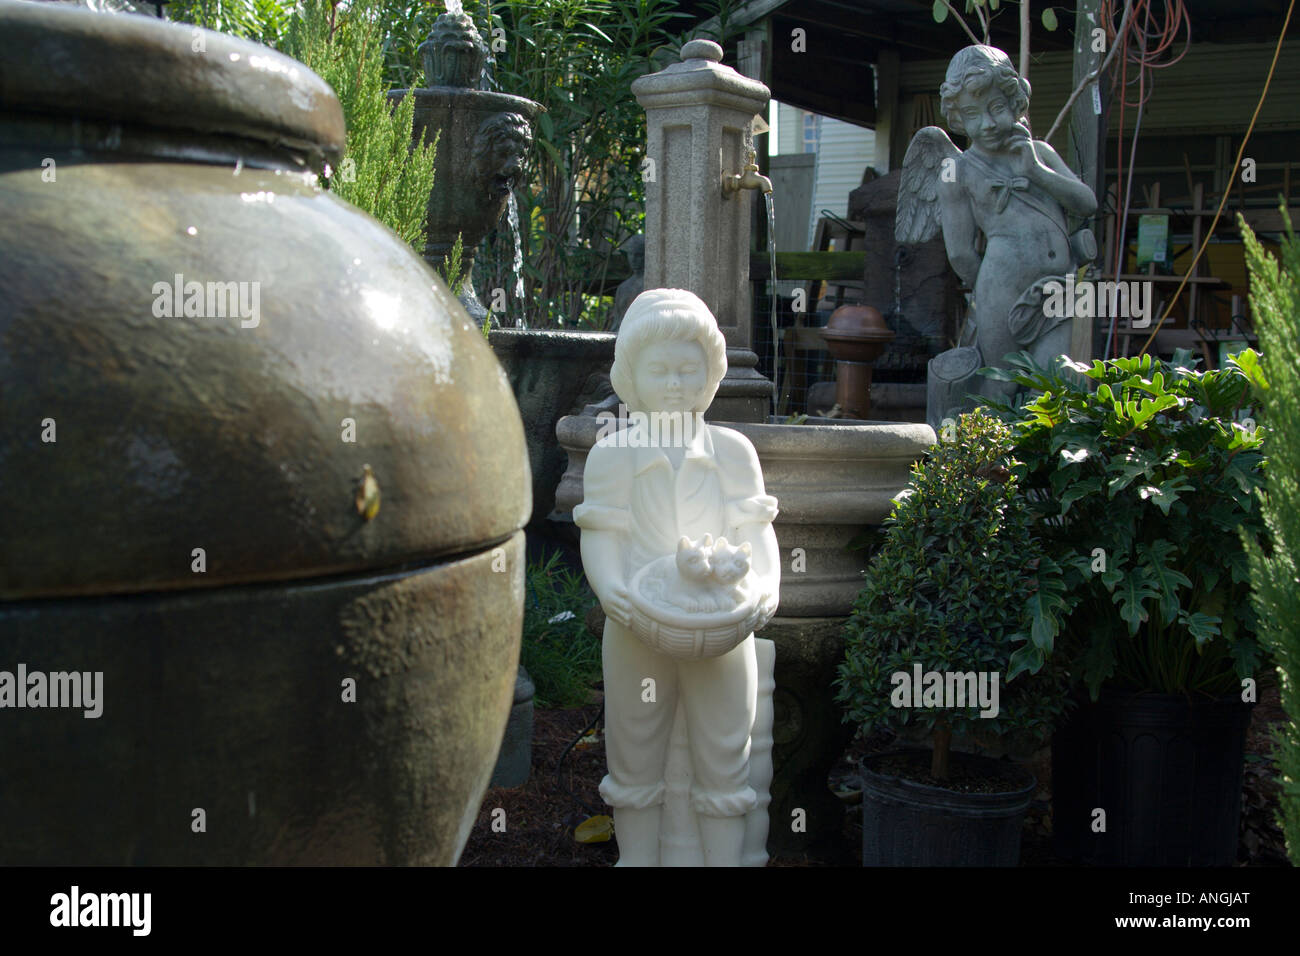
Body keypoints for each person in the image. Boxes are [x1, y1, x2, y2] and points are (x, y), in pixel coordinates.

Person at [574, 288, 779, 867]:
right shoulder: (613, 456)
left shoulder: (733, 451)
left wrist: (766, 586)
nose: (673, 383)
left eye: (689, 369)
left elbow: (756, 529)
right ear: (630, 376)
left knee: (725, 751)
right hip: (639, 623)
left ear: (711, 374)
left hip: (722, 625)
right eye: (658, 370)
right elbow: (602, 534)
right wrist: (613, 592)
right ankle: (637, 860)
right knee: (635, 750)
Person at [900, 45, 1098, 408]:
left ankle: (1047, 463)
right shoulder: (956, 172)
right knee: (1002, 385)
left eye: (996, 109)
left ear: (1015, 102)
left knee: (1058, 379)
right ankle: (989, 463)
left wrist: (1036, 172)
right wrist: (995, 287)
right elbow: (960, 251)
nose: (987, 124)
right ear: (957, 118)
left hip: (1059, 290)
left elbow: (1086, 203)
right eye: (972, 115)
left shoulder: (1039, 153)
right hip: (1000, 291)